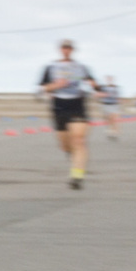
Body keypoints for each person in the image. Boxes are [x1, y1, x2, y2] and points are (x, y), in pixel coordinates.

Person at [39, 40, 106, 188]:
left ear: (73, 50)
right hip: (59, 106)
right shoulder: (51, 67)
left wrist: (97, 89)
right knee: (65, 146)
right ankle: (71, 154)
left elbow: (94, 84)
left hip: (78, 104)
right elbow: (43, 88)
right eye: (64, 47)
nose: (66, 50)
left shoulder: (81, 67)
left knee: (79, 141)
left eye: (69, 48)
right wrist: (57, 85)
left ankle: (77, 176)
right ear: (60, 49)